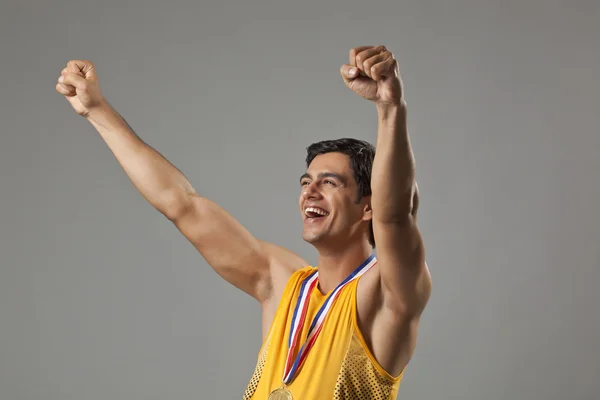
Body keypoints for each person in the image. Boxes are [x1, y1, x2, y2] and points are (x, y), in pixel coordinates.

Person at [56, 45, 432, 399]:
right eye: (306, 182)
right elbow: (182, 205)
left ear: (367, 206)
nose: (309, 192)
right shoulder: (282, 282)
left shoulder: (383, 294)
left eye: (329, 183)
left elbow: (396, 216)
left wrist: (389, 107)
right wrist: (96, 110)